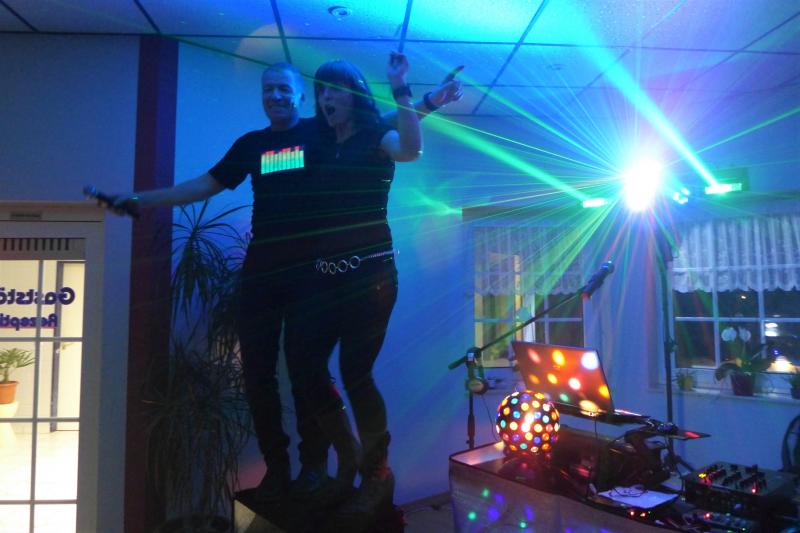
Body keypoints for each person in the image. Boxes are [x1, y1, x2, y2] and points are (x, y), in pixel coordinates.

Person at [103, 60, 462, 504]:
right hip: (262, 275)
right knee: (260, 375)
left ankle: (318, 464)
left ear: (298, 95)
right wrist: (142, 200)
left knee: (308, 370)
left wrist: (427, 100)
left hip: (312, 276)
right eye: (268, 89)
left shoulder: (320, 133)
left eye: (284, 89)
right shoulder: (252, 145)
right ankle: (279, 468)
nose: (275, 95)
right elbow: (203, 185)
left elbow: (375, 124)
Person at [292, 52, 424, 529]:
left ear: (354, 96)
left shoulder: (376, 136)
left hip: (371, 279)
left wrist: (401, 86)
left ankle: (377, 475)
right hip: (325, 276)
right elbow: (280, 164)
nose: (326, 98)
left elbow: (410, 148)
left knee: (356, 373)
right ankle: (348, 457)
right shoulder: (322, 145)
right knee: (305, 366)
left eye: (335, 90)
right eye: (321, 91)